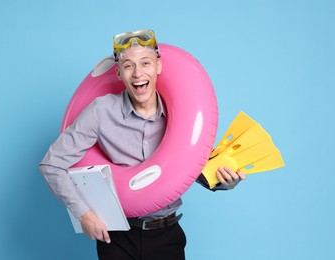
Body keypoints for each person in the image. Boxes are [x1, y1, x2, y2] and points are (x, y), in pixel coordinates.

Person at [39, 30, 246, 260]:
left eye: (145, 63)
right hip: (117, 238)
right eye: (128, 66)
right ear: (118, 73)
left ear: (158, 67)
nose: (138, 73)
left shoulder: (181, 117)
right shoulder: (101, 111)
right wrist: (83, 214)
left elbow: (189, 170)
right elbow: (52, 164)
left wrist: (224, 183)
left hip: (166, 235)